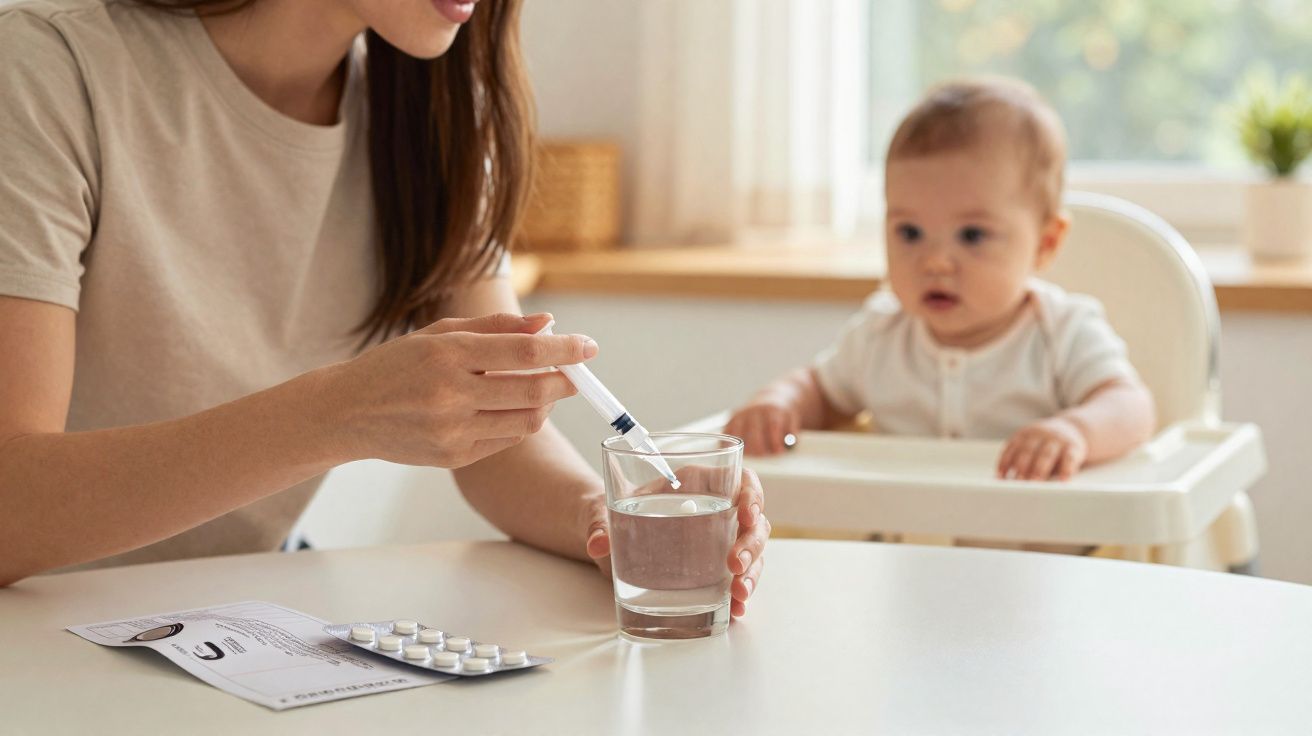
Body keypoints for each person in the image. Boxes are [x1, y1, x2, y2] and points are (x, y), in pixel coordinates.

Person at [0, 0, 769, 612]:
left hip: (238, 617)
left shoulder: (435, 116)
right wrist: (335, 413)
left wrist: (602, 521)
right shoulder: (47, 69)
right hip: (39, 628)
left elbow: (501, 438)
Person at [726, 78, 1155, 483]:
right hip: (904, 551)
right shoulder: (881, 335)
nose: (934, 262)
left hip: (1032, 552)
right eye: (909, 233)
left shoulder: (1063, 332)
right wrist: (779, 403)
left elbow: (1131, 407)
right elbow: (819, 391)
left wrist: (1076, 431)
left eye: (972, 236)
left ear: (1045, 244)